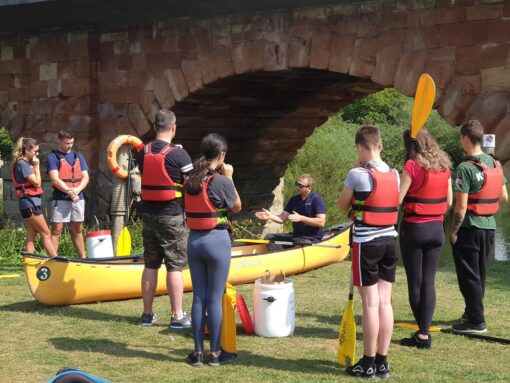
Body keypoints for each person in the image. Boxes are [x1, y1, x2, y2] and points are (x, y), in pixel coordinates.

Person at [337, 125, 399, 379]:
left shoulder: (356, 174)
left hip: (366, 243)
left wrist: (357, 168)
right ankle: (382, 363)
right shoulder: (396, 173)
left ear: (360, 148)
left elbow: (343, 205)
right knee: (385, 302)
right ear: (380, 145)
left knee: (371, 304)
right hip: (389, 241)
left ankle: (368, 361)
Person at [184, 133, 241, 367]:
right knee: (214, 298)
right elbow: (237, 207)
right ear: (222, 155)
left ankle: (198, 353)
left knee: (199, 297)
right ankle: (216, 354)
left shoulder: (189, 179)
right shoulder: (221, 181)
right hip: (216, 241)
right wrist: (229, 177)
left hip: (194, 241)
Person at [136, 109, 193, 328]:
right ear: (173, 128)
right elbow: (192, 186)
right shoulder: (179, 155)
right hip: (171, 215)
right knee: (174, 265)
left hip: (148, 215)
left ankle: (147, 314)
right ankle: (177, 315)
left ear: (154, 127)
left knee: (150, 263)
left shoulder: (142, 151)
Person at [450, 120, 508, 334]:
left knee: (469, 276)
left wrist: (454, 231)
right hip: (489, 227)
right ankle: (471, 313)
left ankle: (476, 321)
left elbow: (461, 206)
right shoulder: (495, 164)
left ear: (465, 138)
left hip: (470, 227)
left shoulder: (464, 168)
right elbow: (504, 196)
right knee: (479, 274)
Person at [399, 128, 452, 349]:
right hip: (437, 229)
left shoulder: (411, 166)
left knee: (416, 282)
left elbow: (397, 200)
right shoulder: (445, 167)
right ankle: (423, 333)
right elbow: (449, 203)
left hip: (414, 228)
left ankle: (422, 335)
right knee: (429, 281)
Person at [47, 129, 89, 258]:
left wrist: (77, 190)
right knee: (57, 230)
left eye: (71, 142)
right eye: (66, 143)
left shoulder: (78, 156)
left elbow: (85, 177)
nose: (69, 145)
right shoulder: (52, 157)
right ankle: (54, 259)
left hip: (78, 197)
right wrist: (70, 192)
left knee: (78, 229)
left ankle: (83, 258)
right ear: (59, 141)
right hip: (61, 199)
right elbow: (54, 179)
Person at [255, 174, 326, 250]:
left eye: (301, 186)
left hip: (311, 237)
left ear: (309, 188)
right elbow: (282, 218)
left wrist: (302, 218)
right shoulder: (294, 200)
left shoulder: (317, 199)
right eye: (297, 184)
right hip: (296, 236)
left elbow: (321, 222)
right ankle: (277, 256)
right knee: (269, 237)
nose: (297, 187)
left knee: (298, 242)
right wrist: (270, 216)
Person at [12, 137, 57, 257]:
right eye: (35, 151)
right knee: (46, 233)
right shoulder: (23, 164)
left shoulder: (25, 163)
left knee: (32, 233)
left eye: (38, 151)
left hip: (30, 203)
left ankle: (29, 261)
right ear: (26, 150)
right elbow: (37, 183)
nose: (37, 154)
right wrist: (37, 166)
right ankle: (57, 261)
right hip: (29, 203)